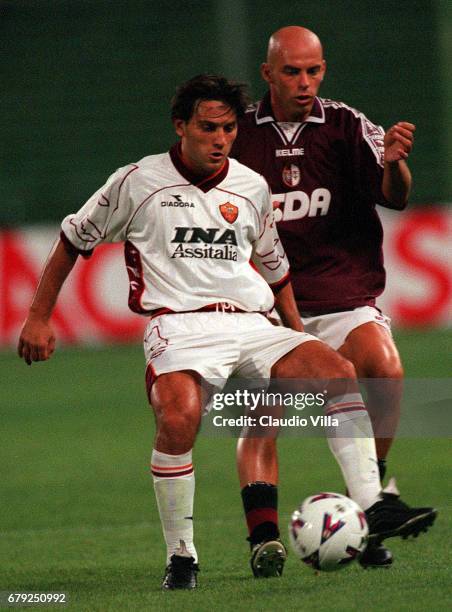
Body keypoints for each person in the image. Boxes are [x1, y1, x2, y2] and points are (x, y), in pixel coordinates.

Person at [18, 74, 434, 589]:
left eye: (230, 129)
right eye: (209, 128)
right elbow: (72, 238)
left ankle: (373, 505)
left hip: (252, 323)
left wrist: (298, 337)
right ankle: (182, 557)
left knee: (337, 371)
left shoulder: (250, 186)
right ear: (181, 127)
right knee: (179, 416)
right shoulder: (136, 181)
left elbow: (276, 268)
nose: (220, 139)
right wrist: (39, 316)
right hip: (180, 325)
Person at [231, 25, 436, 569]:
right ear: (267, 73)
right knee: (263, 416)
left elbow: (395, 197)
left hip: (343, 295)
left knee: (384, 370)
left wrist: (393, 162)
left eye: (314, 70)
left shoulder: (346, 124)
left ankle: (372, 510)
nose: (305, 82)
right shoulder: (238, 135)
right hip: (268, 308)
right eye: (293, 71)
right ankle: (264, 539)